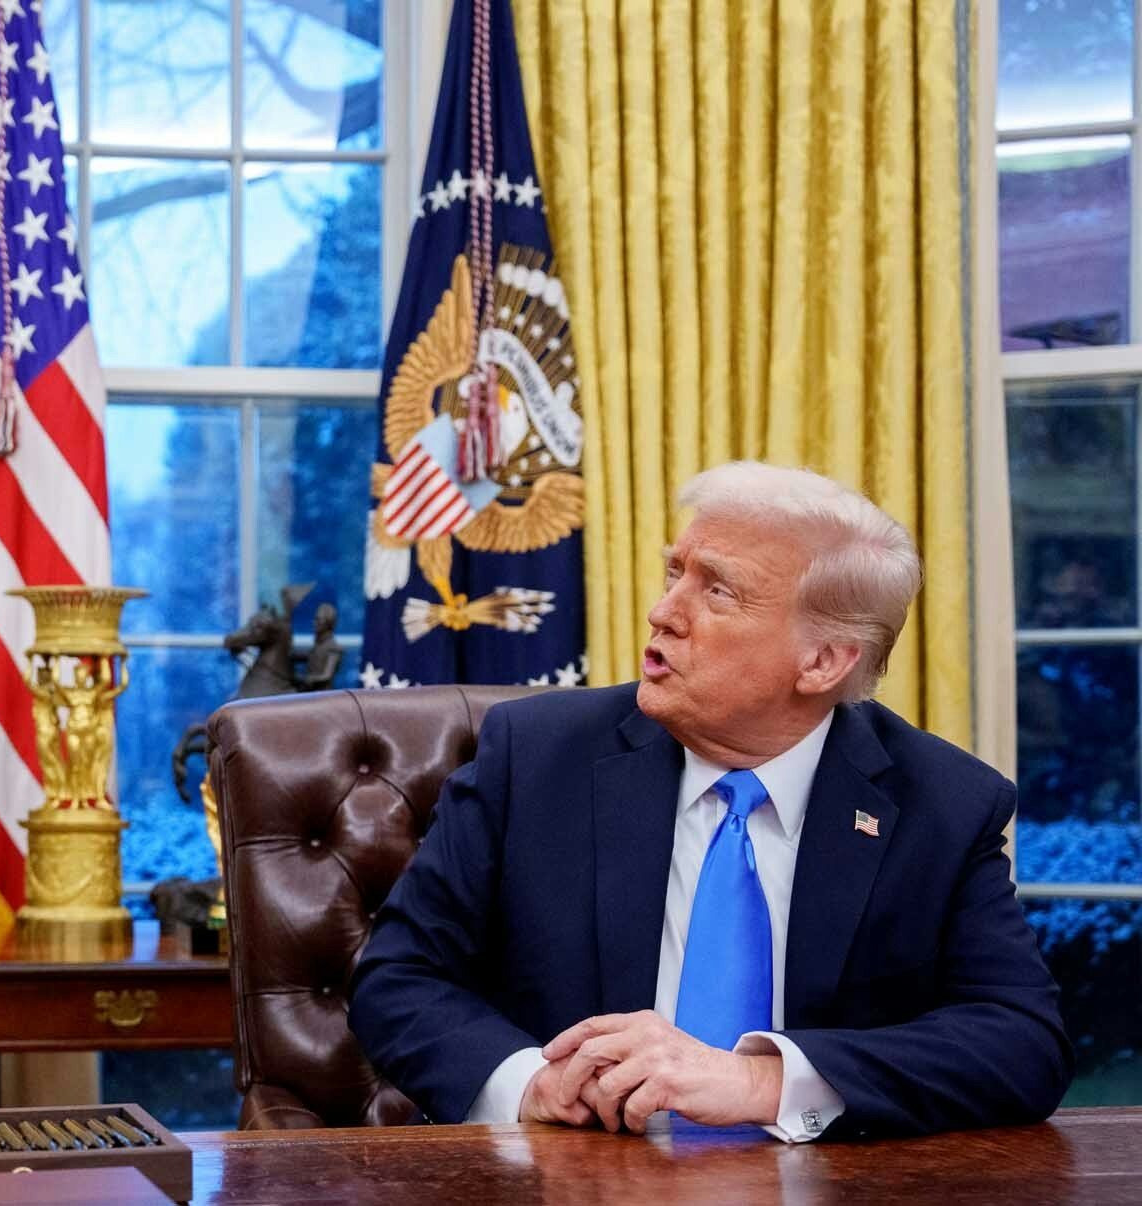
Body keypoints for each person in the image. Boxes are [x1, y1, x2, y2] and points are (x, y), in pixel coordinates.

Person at [350, 462, 1072, 1141]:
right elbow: (399, 977)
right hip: (572, 1180)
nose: (664, 612)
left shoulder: (940, 805)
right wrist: (531, 1087)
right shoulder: (535, 757)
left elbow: (1021, 1043)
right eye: (675, 572)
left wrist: (758, 1082)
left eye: (718, 591)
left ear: (822, 661)